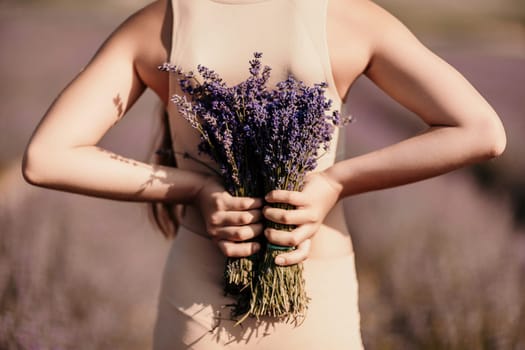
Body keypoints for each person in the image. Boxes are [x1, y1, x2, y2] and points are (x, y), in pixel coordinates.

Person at [22, 0, 506, 349]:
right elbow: (481, 130)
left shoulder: (162, 23)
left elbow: (48, 156)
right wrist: (333, 183)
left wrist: (197, 189)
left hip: (199, 293)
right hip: (318, 284)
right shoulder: (350, 18)